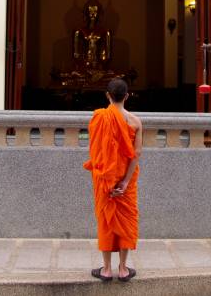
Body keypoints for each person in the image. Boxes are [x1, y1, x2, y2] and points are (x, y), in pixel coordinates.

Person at [83, 78, 143, 282]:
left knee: (106, 221)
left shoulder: (99, 118)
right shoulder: (135, 122)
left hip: (104, 180)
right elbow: (136, 154)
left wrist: (108, 181)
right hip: (127, 181)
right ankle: (124, 269)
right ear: (127, 96)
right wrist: (125, 182)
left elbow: (96, 151)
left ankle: (107, 269)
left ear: (107, 95)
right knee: (127, 220)